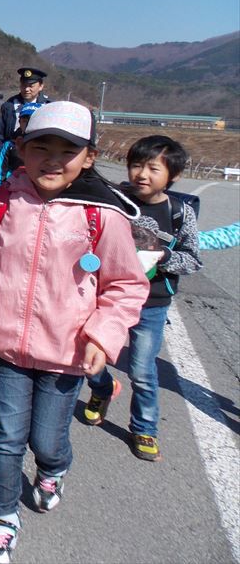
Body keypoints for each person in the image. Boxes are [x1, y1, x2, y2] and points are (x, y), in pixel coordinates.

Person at [0, 101, 148, 564]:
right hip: (6, 350)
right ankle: (1, 518)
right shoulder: (1, 202)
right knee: (6, 435)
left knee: (46, 439)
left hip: (69, 355)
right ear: (21, 149)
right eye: (42, 147)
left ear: (89, 157)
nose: (53, 159)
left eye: (68, 150)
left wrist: (103, 334)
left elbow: (125, 285)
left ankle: (53, 469)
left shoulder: (102, 214)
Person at [82, 136, 201, 462]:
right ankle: (102, 388)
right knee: (86, 356)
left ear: (173, 175)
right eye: (136, 165)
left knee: (142, 370)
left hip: (152, 303)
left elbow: (192, 259)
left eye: (153, 168)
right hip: (106, 297)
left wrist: (162, 255)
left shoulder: (180, 212)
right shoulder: (113, 199)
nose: (142, 174)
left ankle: (144, 427)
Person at [0, 67, 50, 177]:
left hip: (38, 161)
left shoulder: (48, 107)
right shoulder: (9, 106)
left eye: (31, 86)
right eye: (24, 85)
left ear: (41, 86)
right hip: (10, 159)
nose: (27, 89)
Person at [0, 101, 43, 186]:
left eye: (32, 120)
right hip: (11, 186)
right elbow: (1, 171)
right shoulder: (10, 144)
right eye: (25, 121)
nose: (28, 124)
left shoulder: (46, 146)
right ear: (19, 122)